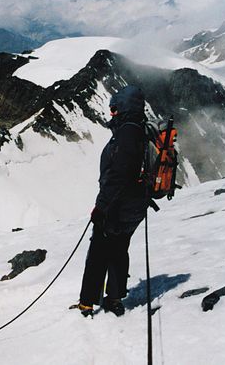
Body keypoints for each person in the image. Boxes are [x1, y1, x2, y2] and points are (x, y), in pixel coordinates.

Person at [76, 85, 149, 317]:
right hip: (135, 206)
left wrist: (102, 207)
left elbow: (118, 175)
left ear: (124, 107)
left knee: (98, 252)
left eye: (115, 108)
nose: (112, 114)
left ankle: (87, 303)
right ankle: (114, 298)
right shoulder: (140, 129)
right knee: (119, 249)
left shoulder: (127, 132)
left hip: (118, 206)